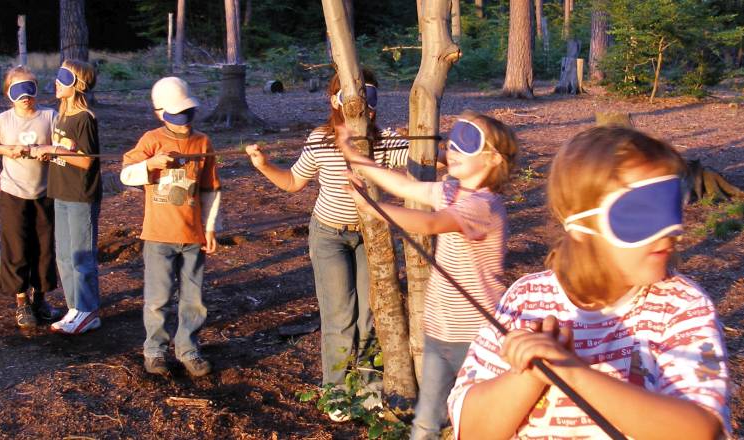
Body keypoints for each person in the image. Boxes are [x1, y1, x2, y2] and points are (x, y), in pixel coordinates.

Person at [448, 127, 731, 439]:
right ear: (580, 224)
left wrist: (572, 372)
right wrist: (533, 373)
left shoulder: (682, 307)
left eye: (672, 205)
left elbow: (698, 431)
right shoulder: (525, 301)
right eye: (641, 212)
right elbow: (473, 431)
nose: (669, 232)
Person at [340, 111, 518, 439]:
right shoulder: (452, 190)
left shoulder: (484, 206)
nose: (452, 148)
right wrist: (356, 158)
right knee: (426, 420)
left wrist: (370, 208)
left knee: (475, 422)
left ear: (493, 158)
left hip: (476, 336)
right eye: (453, 140)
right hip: (440, 330)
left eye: (468, 142)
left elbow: (429, 224)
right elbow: (405, 185)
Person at [244, 69, 406, 421]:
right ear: (337, 102)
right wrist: (263, 164)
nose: (369, 113)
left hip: (371, 237)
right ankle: (335, 388)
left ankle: (369, 385)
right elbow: (292, 182)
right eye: (360, 104)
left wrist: (443, 150)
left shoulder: (387, 140)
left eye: (372, 105)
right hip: (329, 234)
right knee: (339, 315)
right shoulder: (320, 139)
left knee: (369, 313)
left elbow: (420, 162)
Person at [120, 77, 221, 378]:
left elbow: (210, 189)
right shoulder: (151, 140)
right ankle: (155, 350)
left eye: (187, 114)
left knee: (193, 298)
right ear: (159, 113)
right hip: (158, 235)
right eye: (176, 116)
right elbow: (125, 174)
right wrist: (151, 164)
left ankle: (188, 348)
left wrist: (211, 227)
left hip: (192, 235)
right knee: (158, 298)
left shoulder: (202, 142)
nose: (184, 122)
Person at [0, 66, 59, 329]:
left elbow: (65, 148)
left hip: (44, 193)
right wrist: (5, 149)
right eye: (18, 90)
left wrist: (50, 151)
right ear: (8, 93)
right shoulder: (1, 120)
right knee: (17, 248)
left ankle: (41, 300)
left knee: (44, 248)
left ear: (37, 88)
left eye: (29, 88)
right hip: (13, 194)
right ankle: (22, 302)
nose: (25, 96)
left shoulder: (50, 116)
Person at [29, 60, 102, 335]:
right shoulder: (62, 115)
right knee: (63, 255)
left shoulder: (85, 118)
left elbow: (86, 163)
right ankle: (75, 307)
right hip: (60, 192)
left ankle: (88, 310)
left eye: (63, 77)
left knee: (82, 257)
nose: (57, 82)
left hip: (81, 196)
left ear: (78, 84)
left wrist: (53, 149)